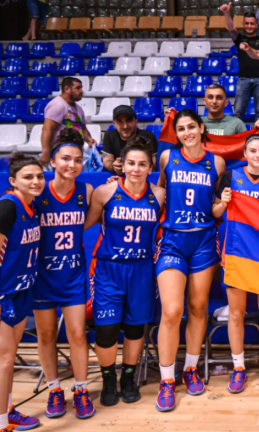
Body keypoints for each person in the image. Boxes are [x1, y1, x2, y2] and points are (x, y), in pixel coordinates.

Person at [154, 109, 226, 413]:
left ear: (201, 128)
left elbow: (214, 207)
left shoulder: (217, 162)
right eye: (181, 129)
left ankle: (191, 369)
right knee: (172, 310)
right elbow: (159, 190)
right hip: (172, 238)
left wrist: (225, 204)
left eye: (191, 127)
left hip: (203, 241)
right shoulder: (168, 158)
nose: (186, 133)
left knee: (198, 307)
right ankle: (167, 381)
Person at [84, 137, 163, 409]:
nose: (136, 169)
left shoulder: (159, 195)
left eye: (142, 164)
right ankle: (108, 379)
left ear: (151, 166)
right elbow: (83, 225)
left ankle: (128, 378)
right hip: (108, 268)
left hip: (142, 269)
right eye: (131, 163)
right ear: (122, 165)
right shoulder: (105, 193)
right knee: (106, 330)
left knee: (133, 328)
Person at [211, 134, 259, 394]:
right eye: (252, 151)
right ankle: (239, 368)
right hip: (236, 253)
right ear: (245, 154)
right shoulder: (231, 177)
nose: (257, 155)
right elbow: (215, 213)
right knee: (236, 312)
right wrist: (223, 202)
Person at [33, 129, 94, 419]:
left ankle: (81, 390)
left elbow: (89, 222)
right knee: (45, 335)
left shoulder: (86, 191)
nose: (72, 164)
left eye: (78, 160)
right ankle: (54, 389)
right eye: (66, 159)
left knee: (77, 334)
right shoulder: (38, 191)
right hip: (42, 276)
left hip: (72, 275)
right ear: (53, 162)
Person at [0, 154, 44, 432]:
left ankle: (7, 410)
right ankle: (2, 423)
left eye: (39, 176)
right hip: (4, 293)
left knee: (9, 355)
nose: (36, 181)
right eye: (28, 177)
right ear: (13, 181)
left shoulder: (33, 207)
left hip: (22, 289)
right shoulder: (8, 206)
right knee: (5, 360)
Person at [41, 77, 96, 167]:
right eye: (77, 88)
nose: (81, 91)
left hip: (74, 152)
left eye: (81, 88)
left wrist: (89, 139)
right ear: (67, 89)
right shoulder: (57, 105)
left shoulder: (79, 109)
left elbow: (83, 129)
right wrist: (46, 152)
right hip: (60, 154)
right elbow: (47, 129)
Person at [102, 105, 159, 174]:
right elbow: (107, 161)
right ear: (114, 124)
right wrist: (114, 166)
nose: (125, 126)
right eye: (120, 121)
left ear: (136, 122)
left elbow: (153, 164)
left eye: (129, 120)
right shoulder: (109, 135)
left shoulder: (148, 136)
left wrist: (127, 168)